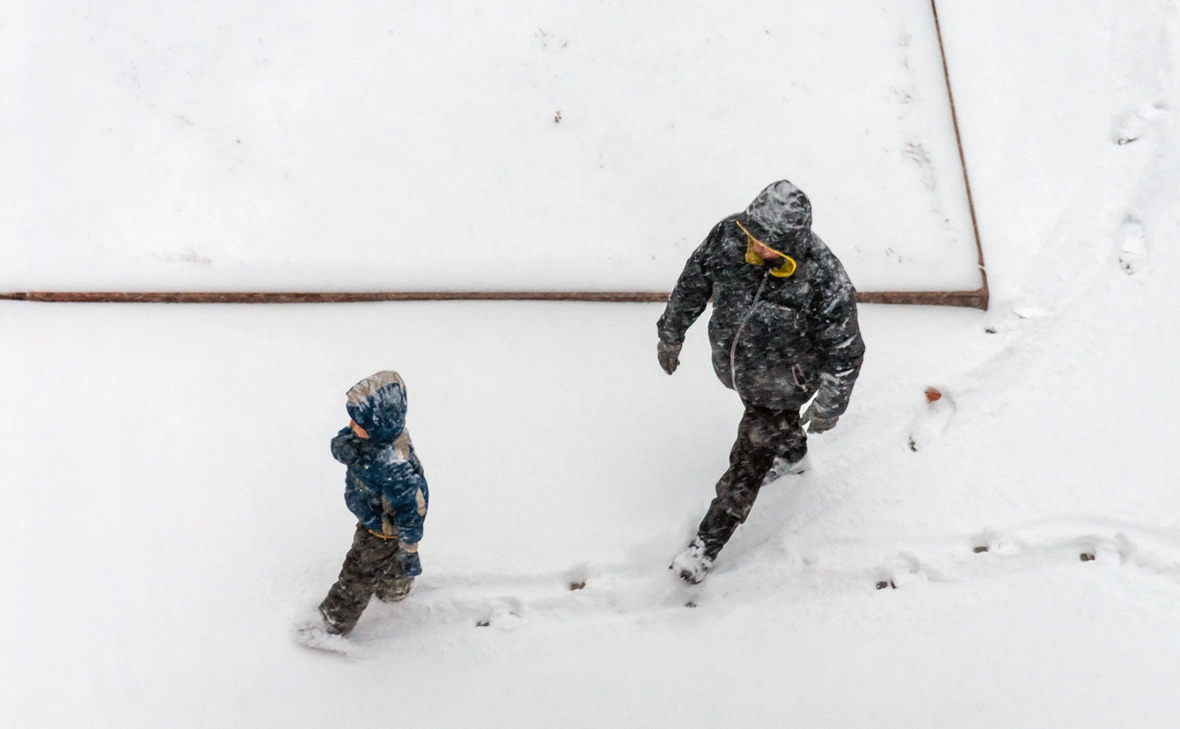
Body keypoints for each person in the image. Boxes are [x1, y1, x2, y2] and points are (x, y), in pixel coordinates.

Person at [657, 180, 865, 583]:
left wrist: (829, 405)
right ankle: (792, 454)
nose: (755, 248)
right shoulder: (729, 236)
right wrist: (671, 331)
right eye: (752, 238)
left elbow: (846, 350)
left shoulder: (823, 278)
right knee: (773, 435)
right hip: (743, 370)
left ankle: (704, 547)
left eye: (766, 246)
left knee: (747, 464)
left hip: (784, 385)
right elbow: (693, 283)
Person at [317, 371, 429, 635]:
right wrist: (345, 447)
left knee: (358, 574)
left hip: (381, 530)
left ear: (377, 425)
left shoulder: (394, 466)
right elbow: (344, 440)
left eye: (357, 423)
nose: (350, 425)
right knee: (392, 562)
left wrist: (410, 549)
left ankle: (332, 622)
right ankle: (395, 589)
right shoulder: (374, 435)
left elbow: (412, 510)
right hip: (373, 514)